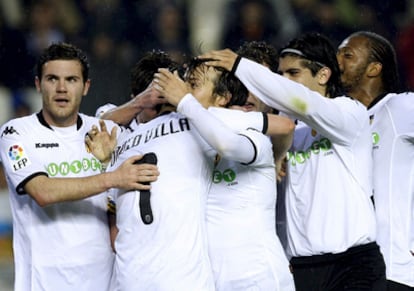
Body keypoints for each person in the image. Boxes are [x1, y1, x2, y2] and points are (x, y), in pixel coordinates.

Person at [199, 32, 387, 290]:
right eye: (281, 74)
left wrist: (240, 65)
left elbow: (303, 102)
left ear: (323, 75)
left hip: (353, 265)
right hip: (303, 269)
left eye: (293, 74)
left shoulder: (349, 114)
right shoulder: (287, 131)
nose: (283, 82)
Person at [0, 42, 159, 291]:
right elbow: (43, 192)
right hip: (44, 282)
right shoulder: (16, 133)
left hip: (103, 281)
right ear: (38, 84)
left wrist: (108, 165)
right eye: (52, 79)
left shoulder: (103, 132)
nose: (62, 88)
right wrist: (114, 177)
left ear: (86, 87)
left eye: (72, 79)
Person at [154, 57, 295, 290]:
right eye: (184, 85)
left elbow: (229, 144)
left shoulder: (251, 136)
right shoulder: (182, 140)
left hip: (259, 278)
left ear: (222, 98)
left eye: (194, 85)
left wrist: (185, 102)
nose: (183, 91)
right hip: (211, 280)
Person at [337, 31, 414, 290]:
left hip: (395, 268)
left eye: (347, 55)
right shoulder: (340, 122)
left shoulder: (400, 108)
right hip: (351, 269)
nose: (337, 61)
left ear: (374, 68)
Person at [95, 50, 179, 128]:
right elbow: (98, 126)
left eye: (168, 104)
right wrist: (139, 102)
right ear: (136, 98)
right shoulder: (119, 123)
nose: (162, 112)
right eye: (155, 105)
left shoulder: (181, 121)